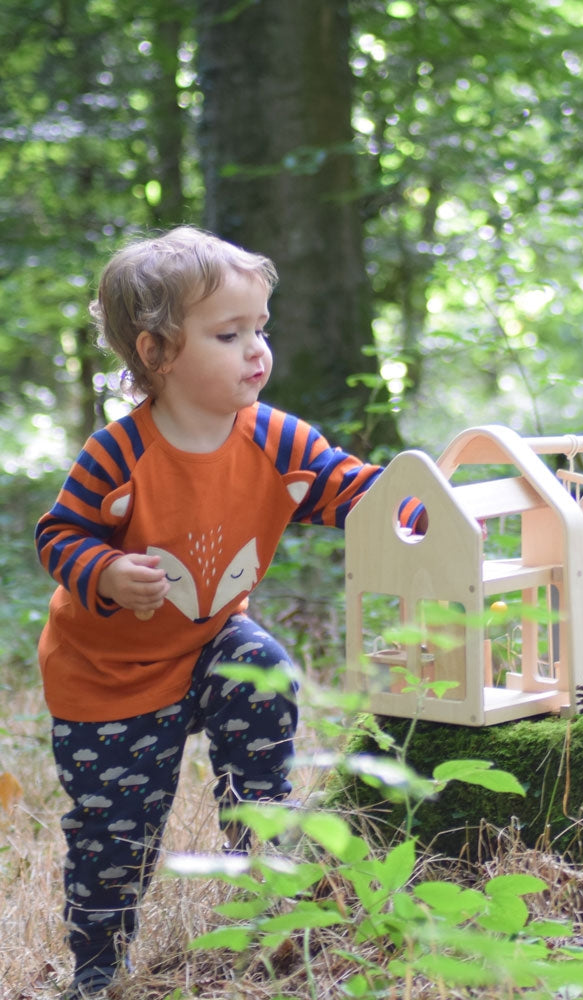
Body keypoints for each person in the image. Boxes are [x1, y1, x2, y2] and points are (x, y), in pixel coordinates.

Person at [35, 226, 422, 999]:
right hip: (108, 677)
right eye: (229, 333)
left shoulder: (276, 439)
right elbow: (61, 533)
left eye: (260, 329)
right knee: (117, 834)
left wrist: (425, 511)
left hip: (211, 637)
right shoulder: (119, 452)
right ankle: (98, 966)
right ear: (157, 354)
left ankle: (263, 859)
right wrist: (105, 570)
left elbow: (351, 489)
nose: (256, 350)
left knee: (265, 672)